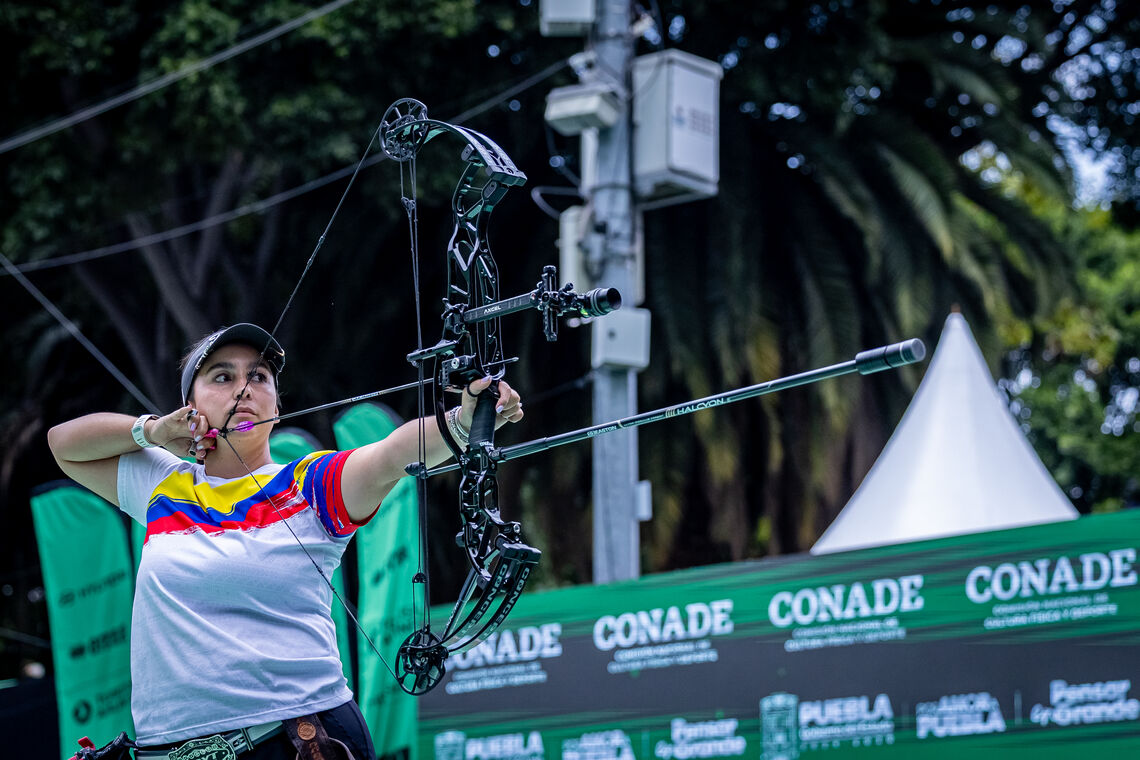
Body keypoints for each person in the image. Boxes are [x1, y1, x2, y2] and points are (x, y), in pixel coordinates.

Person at [47, 323, 523, 759]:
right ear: (189, 407)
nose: (244, 389)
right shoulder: (162, 484)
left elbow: (393, 453)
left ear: (277, 404)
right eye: (222, 377)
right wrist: (152, 431)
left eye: (259, 378)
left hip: (297, 739)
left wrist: (465, 420)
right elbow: (63, 445)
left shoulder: (310, 483)